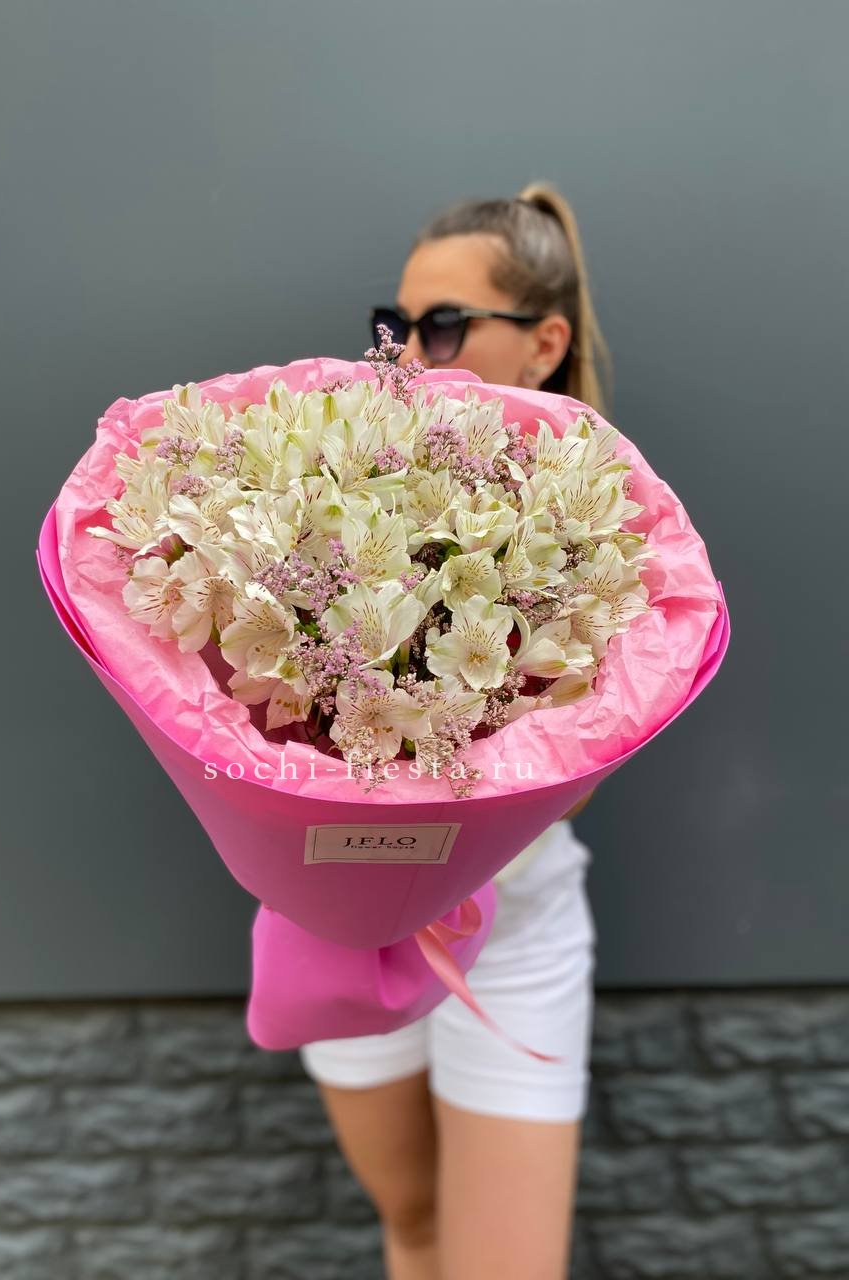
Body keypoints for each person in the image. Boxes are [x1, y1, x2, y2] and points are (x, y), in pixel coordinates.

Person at [297, 182, 614, 1280]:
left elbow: (581, 769)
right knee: (417, 1225)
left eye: (443, 326)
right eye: (397, 325)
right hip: (347, 917)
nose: (409, 355)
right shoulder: (334, 483)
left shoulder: (606, 515)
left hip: (512, 928)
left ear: (545, 344)